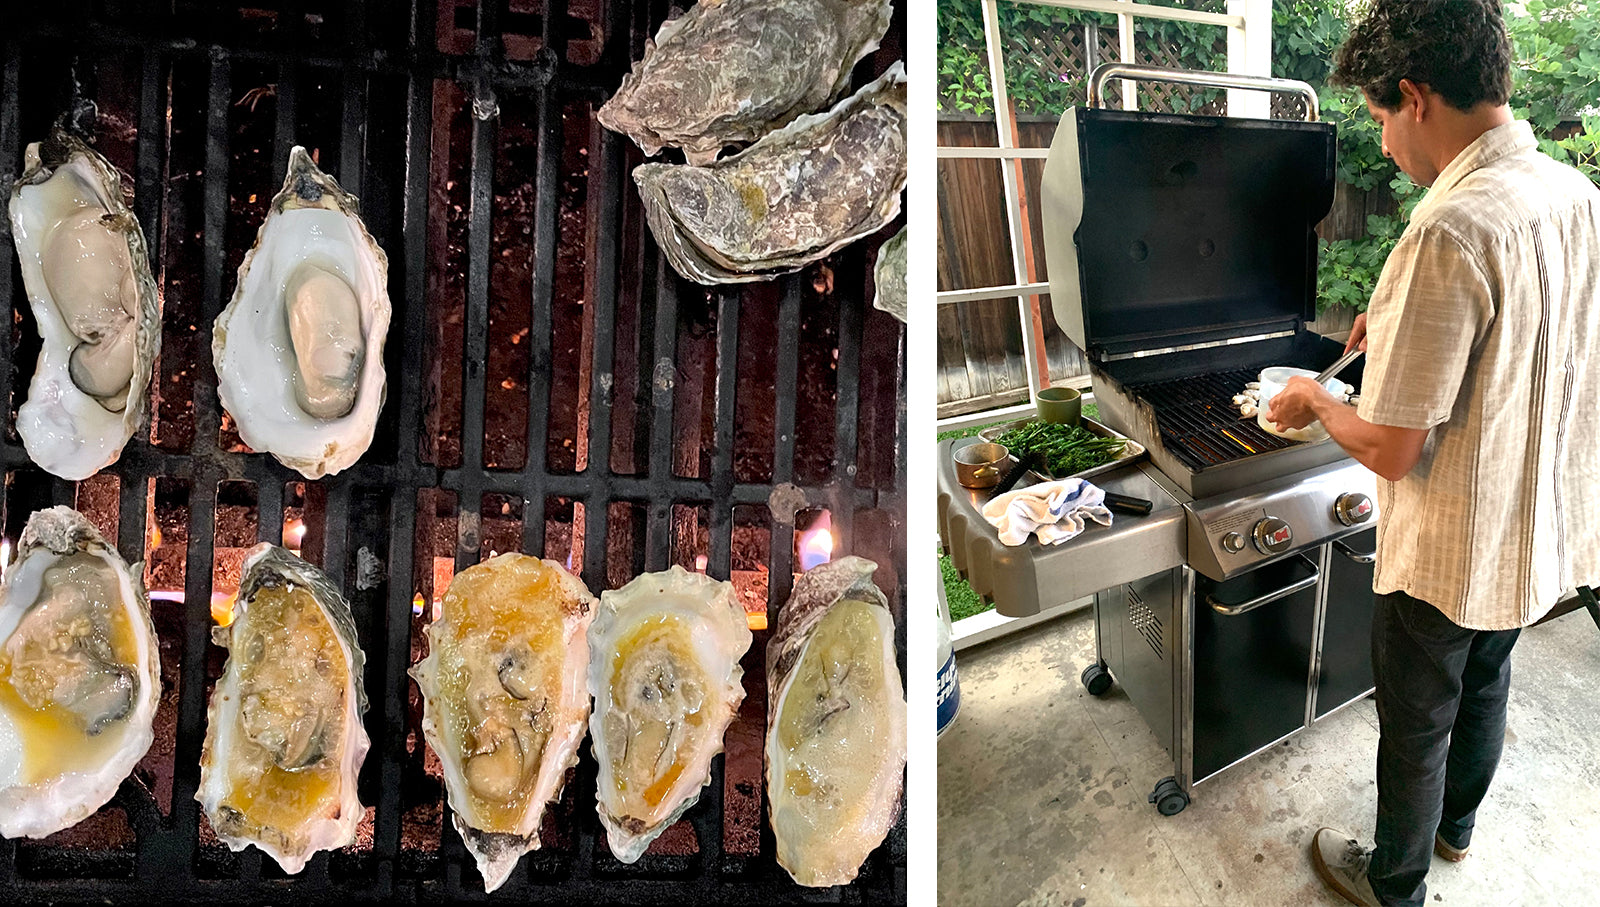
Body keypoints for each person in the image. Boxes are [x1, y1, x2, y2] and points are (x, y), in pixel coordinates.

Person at [1264, 1, 1600, 905]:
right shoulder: (1576, 196)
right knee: (1487, 684)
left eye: (1380, 117)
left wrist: (1317, 399)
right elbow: (1526, 343)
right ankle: (1456, 831)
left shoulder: (1449, 228)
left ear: (1415, 97)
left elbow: (1389, 447)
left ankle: (1394, 883)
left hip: (1451, 550)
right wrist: (1400, 332)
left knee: (1415, 723)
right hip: (1535, 528)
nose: (1381, 144)